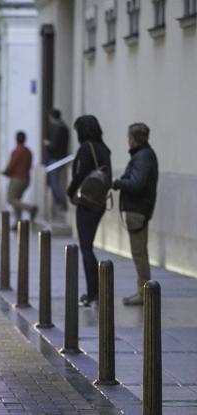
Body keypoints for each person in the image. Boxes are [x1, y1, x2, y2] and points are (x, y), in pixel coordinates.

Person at [67, 115, 112, 307]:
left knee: (86, 248)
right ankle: (96, 291)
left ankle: (93, 292)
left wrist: (70, 191)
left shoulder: (86, 148)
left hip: (86, 202)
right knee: (88, 246)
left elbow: (80, 174)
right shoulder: (104, 148)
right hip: (99, 202)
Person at [112, 123, 158, 306]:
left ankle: (144, 292)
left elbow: (137, 183)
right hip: (138, 209)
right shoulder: (144, 155)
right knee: (140, 252)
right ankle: (143, 290)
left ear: (133, 138)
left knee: (139, 253)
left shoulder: (142, 156)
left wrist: (117, 183)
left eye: (128, 136)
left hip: (137, 210)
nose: (127, 140)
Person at [2, 131, 37, 229]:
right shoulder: (28, 151)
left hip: (17, 178)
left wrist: (6, 172)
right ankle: (18, 223)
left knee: (11, 199)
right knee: (17, 200)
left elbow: (12, 164)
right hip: (26, 179)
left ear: (16, 139)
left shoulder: (17, 151)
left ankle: (30, 208)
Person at [44, 109, 69, 212]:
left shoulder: (56, 129)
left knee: (54, 182)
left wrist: (47, 144)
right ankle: (59, 204)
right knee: (55, 181)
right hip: (61, 157)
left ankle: (61, 203)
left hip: (55, 158)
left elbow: (53, 145)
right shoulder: (65, 128)